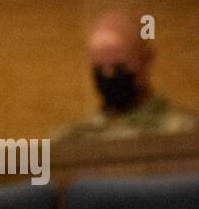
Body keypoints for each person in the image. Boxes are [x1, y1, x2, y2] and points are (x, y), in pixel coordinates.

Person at [50, 9, 197, 146]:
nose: (109, 75)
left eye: (119, 67)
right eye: (99, 69)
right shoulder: (70, 141)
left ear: (146, 60)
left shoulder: (187, 131)